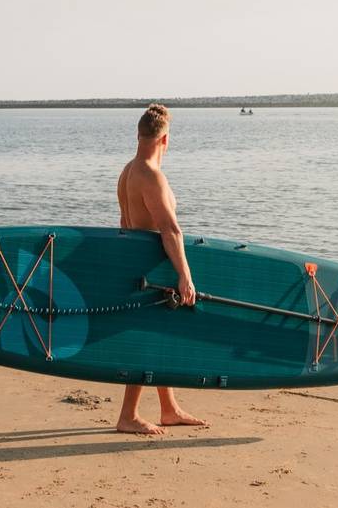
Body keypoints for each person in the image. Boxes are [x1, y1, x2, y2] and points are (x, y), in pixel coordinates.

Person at [115, 103, 208, 435]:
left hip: (138, 263)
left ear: (140, 135)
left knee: (159, 336)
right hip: (153, 267)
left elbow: (125, 224)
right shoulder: (151, 175)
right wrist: (185, 275)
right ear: (165, 139)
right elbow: (170, 230)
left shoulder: (128, 170)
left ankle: (169, 408)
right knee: (148, 339)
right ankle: (128, 415)